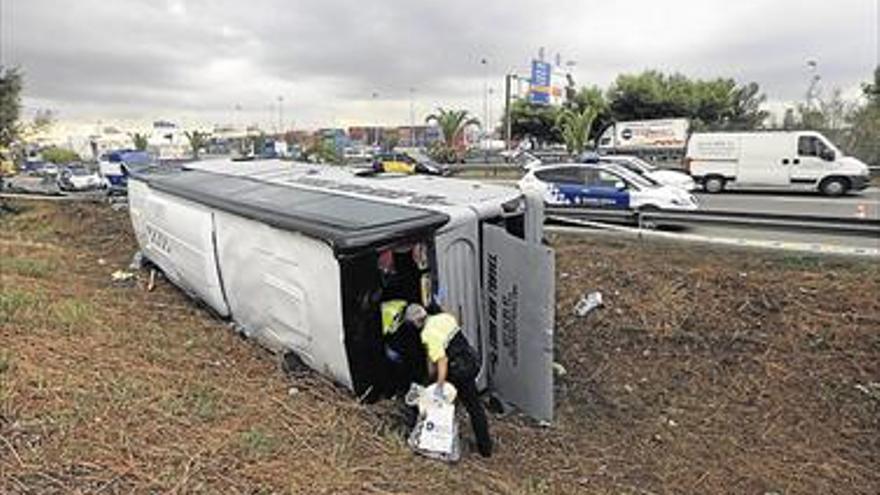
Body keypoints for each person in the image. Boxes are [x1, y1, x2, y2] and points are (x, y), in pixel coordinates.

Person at [404, 303, 492, 457]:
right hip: (470, 361)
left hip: (458, 369)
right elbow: (456, 325)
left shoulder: (427, 334)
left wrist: (439, 386)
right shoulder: (444, 318)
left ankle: (436, 441)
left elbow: (442, 361)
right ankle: (486, 448)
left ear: (416, 323)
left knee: (443, 404)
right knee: (475, 407)